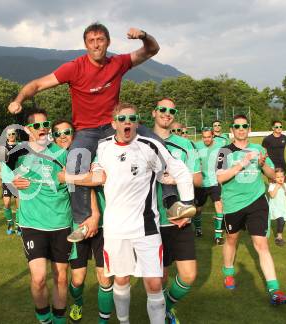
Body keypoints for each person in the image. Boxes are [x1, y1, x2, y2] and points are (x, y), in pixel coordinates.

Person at [8, 22, 160, 242]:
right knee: (74, 164)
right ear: (85, 44)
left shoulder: (118, 62)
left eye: (100, 40)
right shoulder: (74, 67)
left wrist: (144, 36)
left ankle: (172, 200)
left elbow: (151, 50)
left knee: (155, 142)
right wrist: (18, 100)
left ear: (108, 42)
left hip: (112, 125)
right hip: (87, 131)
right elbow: (38, 84)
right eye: (91, 41)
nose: (96, 45)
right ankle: (83, 220)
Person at [64, 102, 194, 324]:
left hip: (147, 227)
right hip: (115, 228)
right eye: (122, 119)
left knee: (154, 283)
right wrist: (85, 173)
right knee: (121, 280)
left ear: (137, 123)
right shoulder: (103, 146)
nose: (127, 123)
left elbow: (179, 170)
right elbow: (96, 171)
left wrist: (187, 204)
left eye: (132, 119)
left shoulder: (149, 145)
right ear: (113, 124)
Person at [216, 114, 286, 305]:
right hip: (233, 203)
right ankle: (228, 271)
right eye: (237, 126)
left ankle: (275, 290)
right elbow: (220, 178)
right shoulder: (224, 151)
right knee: (232, 239)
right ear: (231, 130)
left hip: (257, 201)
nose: (241, 129)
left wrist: (263, 163)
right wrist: (242, 162)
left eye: (244, 126)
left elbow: (273, 175)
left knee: (262, 245)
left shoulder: (258, 149)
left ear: (249, 129)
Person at [10, 109, 72, 324]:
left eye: (46, 124)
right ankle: (45, 321)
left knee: (61, 278)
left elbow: (77, 187)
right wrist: (12, 182)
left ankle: (59, 320)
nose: (43, 129)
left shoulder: (62, 154)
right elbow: (1, 173)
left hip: (61, 222)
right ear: (28, 129)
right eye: (37, 126)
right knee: (38, 279)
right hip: (32, 224)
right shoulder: (18, 154)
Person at [52, 120, 114, 323]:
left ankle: (103, 321)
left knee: (105, 278)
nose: (62, 136)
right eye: (58, 133)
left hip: (103, 225)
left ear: (76, 134)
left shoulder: (92, 154)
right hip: (75, 226)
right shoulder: (56, 159)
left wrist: (95, 214)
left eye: (67, 132)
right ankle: (77, 302)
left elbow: (94, 183)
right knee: (77, 280)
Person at [152, 98, 199, 323]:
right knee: (160, 276)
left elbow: (198, 178)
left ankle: (165, 307)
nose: (167, 113)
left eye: (171, 110)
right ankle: (162, 314)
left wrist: (180, 177)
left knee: (189, 275)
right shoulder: (141, 142)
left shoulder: (185, 144)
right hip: (152, 221)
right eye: (162, 109)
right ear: (154, 113)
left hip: (181, 219)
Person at [194, 128, 225, 245]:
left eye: (209, 136)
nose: (206, 139)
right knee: (197, 209)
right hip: (201, 183)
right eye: (204, 137)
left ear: (213, 136)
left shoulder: (220, 145)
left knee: (219, 204)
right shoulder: (196, 146)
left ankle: (218, 236)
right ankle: (198, 229)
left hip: (214, 182)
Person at [0, 128, 20, 235]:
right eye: (9, 134)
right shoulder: (2, 148)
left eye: (13, 134)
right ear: (6, 135)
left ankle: (19, 225)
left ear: (16, 135)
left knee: (19, 205)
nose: (11, 135)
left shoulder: (21, 146)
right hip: (6, 180)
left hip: (18, 180)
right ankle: (10, 224)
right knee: (7, 203)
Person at [268, 168, 286, 246]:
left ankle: (279, 236)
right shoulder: (272, 185)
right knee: (281, 220)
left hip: (284, 208)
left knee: (282, 222)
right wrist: (277, 187)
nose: (280, 179)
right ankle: (279, 237)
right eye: (278, 177)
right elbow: (272, 195)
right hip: (275, 208)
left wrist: (284, 188)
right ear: (274, 178)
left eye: (282, 177)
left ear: (284, 177)